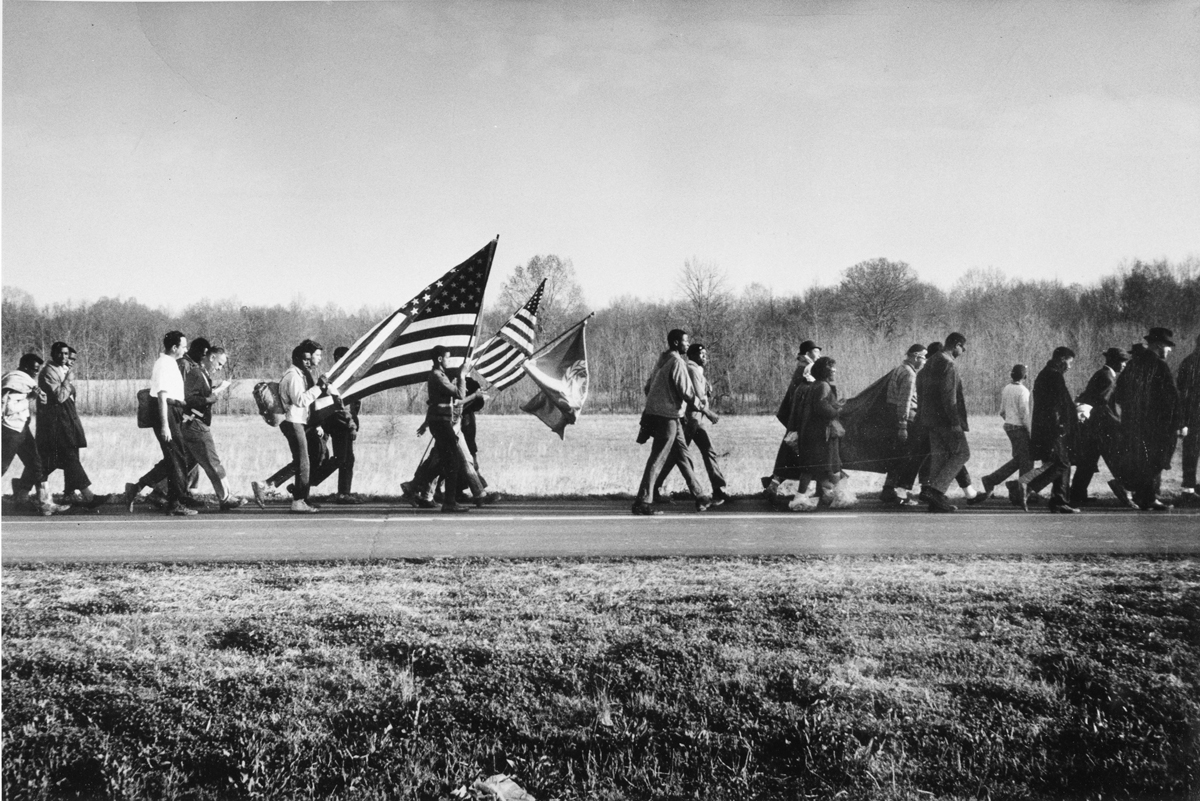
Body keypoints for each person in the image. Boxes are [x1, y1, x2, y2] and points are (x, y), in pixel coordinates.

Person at [632, 329, 713, 515]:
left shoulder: (662, 360)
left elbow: (647, 387)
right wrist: (705, 409)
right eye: (685, 341)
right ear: (676, 343)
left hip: (664, 415)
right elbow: (687, 391)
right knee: (658, 458)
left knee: (682, 456)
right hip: (667, 417)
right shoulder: (677, 362)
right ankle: (642, 502)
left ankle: (700, 495)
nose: (687, 344)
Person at [255, 340, 340, 514]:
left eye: (310, 359)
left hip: (298, 421)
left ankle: (267, 485)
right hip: (292, 422)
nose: (308, 362)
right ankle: (298, 501)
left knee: (302, 461)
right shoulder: (293, 376)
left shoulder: (299, 374)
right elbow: (300, 400)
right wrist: (319, 387)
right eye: (305, 359)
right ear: (297, 359)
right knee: (303, 462)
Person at [1110, 327, 1186, 511]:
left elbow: (1119, 393)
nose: (1169, 351)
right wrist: (1179, 423)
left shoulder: (1134, 364)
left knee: (1142, 460)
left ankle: (1144, 496)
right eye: (1168, 347)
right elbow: (1171, 398)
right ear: (1159, 345)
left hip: (1133, 422)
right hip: (1157, 424)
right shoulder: (1159, 365)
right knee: (1157, 459)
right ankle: (1130, 486)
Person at [652, 342, 732, 505]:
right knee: (679, 456)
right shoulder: (692, 370)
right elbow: (694, 396)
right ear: (693, 355)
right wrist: (708, 412)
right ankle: (655, 487)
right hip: (691, 420)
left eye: (706, 354)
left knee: (699, 452)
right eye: (702, 354)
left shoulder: (696, 370)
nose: (705, 357)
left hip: (695, 420)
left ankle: (717, 489)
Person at [35, 342, 109, 510]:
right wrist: (68, 381)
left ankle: (24, 489)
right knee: (69, 457)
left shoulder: (62, 370)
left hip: (67, 421)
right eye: (60, 354)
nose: (64, 357)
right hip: (56, 423)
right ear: (53, 354)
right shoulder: (49, 372)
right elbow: (60, 397)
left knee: (51, 461)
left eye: (66, 354)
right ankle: (88, 497)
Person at [1007, 347, 1079, 513]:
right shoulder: (1053, 376)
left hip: (1047, 427)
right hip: (1053, 428)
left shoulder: (1047, 374)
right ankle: (1025, 485)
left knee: (1061, 462)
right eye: (1069, 362)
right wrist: (1061, 424)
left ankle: (1058, 500)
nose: (1070, 366)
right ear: (1061, 359)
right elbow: (1055, 405)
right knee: (1062, 462)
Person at [3, 353, 69, 516]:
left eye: (37, 370)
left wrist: (32, 395)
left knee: (36, 464)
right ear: (24, 367)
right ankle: (38, 501)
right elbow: (7, 405)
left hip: (22, 429)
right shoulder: (15, 380)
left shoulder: (20, 380)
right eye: (33, 369)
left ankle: (45, 503)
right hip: (10, 429)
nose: (35, 373)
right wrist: (32, 395)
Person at [1069, 347, 1134, 508]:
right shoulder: (1108, 378)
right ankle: (1125, 492)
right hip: (1102, 428)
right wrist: (1118, 424)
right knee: (1115, 461)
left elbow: (1088, 396)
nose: (1125, 365)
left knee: (1087, 462)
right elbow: (1102, 405)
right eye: (1123, 362)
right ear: (1115, 362)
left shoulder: (1101, 374)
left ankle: (1077, 495)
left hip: (1092, 427)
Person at [915, 332, 970, 513]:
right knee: (962, 453)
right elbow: (949, 397)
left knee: (939, 458)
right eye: (962, 346)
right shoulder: (948, 364)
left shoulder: (929, 363)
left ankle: (934, 502)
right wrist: (955, 421)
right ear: (955, 345)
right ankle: (936, 491)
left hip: (929, 419)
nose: (964, 350)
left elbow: (920, 387)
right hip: (945, 420)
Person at [975, 364, 1033, 503]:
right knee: (1027, 461)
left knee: (1020, 459)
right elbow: (1025, 415)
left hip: (1009, 426)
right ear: (1025, 376)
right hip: (1019, 428)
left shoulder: (1007, 388)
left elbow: (1002, 411)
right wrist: (1031, 432)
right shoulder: (1023, 391)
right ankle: (1020, 493)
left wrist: (1009, 421)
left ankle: (994, 481)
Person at [878, 344, 927, 505]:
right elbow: (904, 401)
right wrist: (903, 425)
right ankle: (901, 495)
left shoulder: (899, 369)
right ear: (915, 356)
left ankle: (888, 489)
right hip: (908, 420)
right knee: (907, 457)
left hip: (894, 417)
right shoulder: (910, 374)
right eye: (923, 357)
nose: (925, 361)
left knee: (897, 456)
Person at [791, 356, 845, 495]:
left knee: (810, 468)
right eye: (832, 370)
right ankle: (840, 495)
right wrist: (838, 410)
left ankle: (802, 496)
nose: (835, 372)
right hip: (822, 435)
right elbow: (822, 408)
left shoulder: (815, 385)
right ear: (825, 372)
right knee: (831, 466)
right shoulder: (823, 386)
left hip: (813, 433)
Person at [1176, 332, 1200, 503]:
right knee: (1191, 452)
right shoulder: (1191, 363)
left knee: (1190, 452)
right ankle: (1188, 489)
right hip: (1193, 415)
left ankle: (1189, 488)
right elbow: (1183, 392)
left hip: (1192, 414)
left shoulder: (1188, 361)